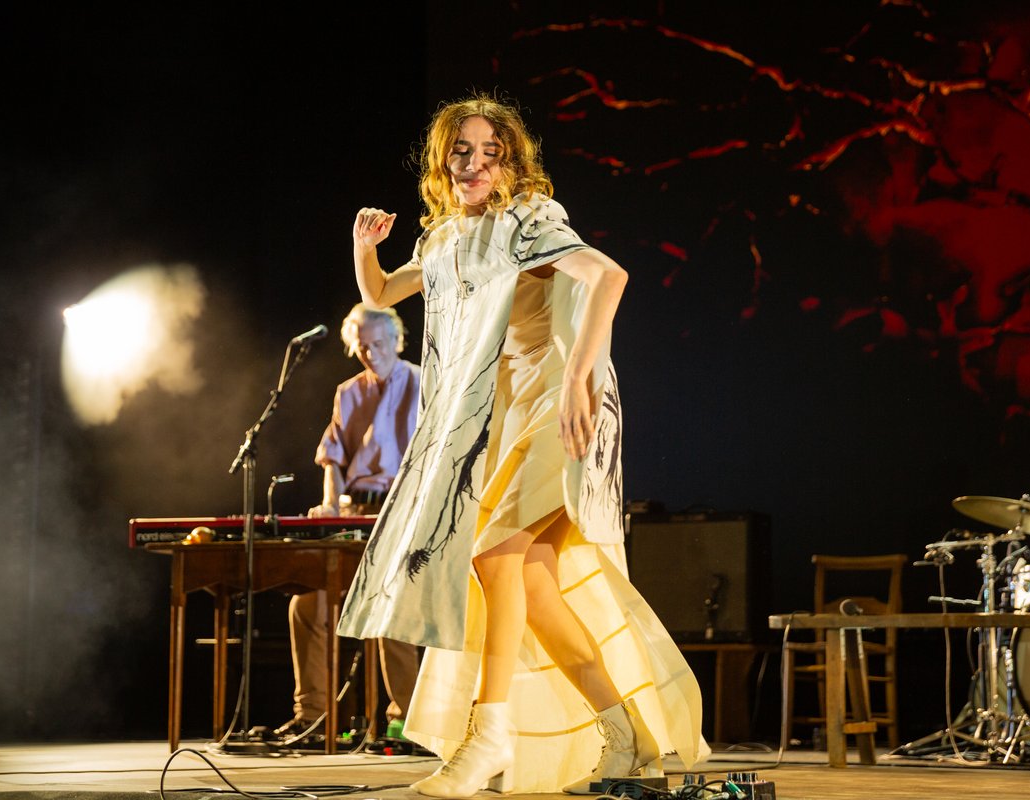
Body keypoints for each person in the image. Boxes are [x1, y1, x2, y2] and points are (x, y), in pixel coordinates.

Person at [337, 94, 706, 796]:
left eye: (490, 152)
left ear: (511, 162)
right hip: (498, 416)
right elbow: (383, 294)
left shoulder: (526, 222)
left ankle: (489, 736)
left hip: (556, 406)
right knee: (531, 586)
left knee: (492, 556)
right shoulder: (445, 239)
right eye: (461, 152)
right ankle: (624, 730)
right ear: (443, 162)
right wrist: (364, 251)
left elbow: (608, 277)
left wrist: (580, 373)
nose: (474, 164)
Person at [274, 303, 422, 747]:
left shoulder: (423, 381)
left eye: (378, 345)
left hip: (401, 511)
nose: (371, 353)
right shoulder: (348, 391)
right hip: (354, 513)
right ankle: (314, 717)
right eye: (362, 347)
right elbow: (332, 457)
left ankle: (407, 720)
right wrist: (328, 506)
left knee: (389, 608)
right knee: (305, 603)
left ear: (396, 340)